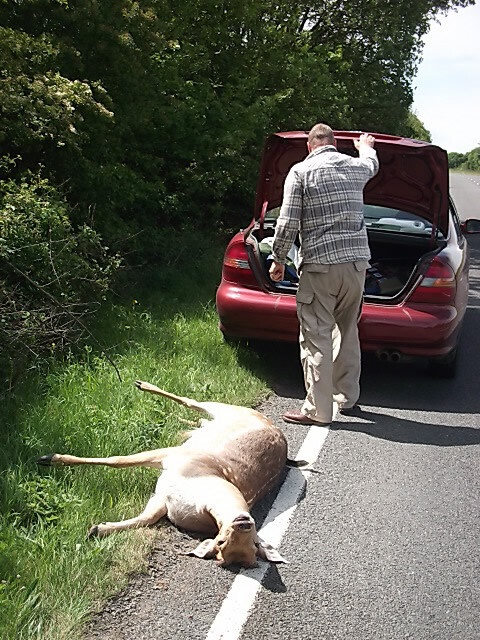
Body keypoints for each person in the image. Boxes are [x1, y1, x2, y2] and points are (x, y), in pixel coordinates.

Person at [269, 123, 379, 426]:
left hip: (320, 268)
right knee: (347, 330)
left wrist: (278, 258)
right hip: (357, 267)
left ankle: (317, 410)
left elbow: (287, 222)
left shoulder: (301, 172)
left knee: (316, 336)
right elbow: (372, 163)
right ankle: (346, 397)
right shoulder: (356, 166)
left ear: (309, 146)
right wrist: (365, 145)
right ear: (334, 144)